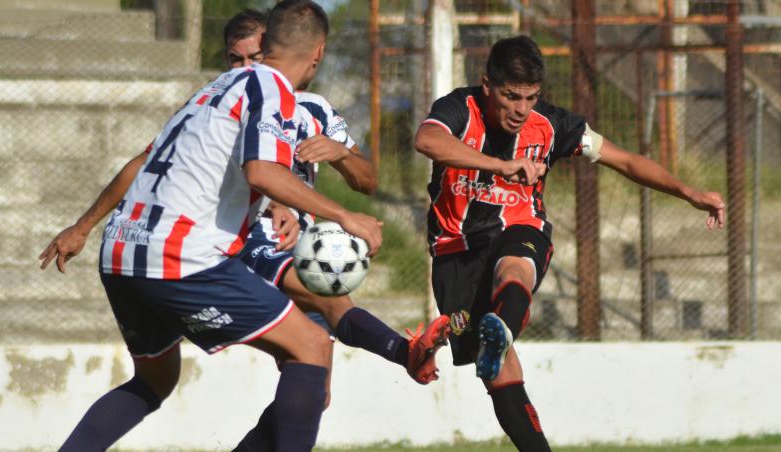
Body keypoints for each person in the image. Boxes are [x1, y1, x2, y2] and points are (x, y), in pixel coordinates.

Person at [40, 7, 451, 388]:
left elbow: (367, 181)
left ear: (274, 50)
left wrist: (340, 153)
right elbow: (164, 165)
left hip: (297, 241)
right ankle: (405, 352)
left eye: (254, 56)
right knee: (330, 299)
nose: (247, 67)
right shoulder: (222, 102)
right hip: (249, 242)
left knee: (310, 391)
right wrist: (84, 225)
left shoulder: (313, 110)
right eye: (235, 59)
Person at [414, 35, 725, 451]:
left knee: (515, 263)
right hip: (456, 250)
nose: (522, 110)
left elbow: (626, 160)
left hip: (519, 229)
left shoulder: (552, 124)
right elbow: (427, 141)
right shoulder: (458, 108)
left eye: (531, 97)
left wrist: (688, 191)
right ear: (487, 85)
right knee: (498, 375)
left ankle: (502, 325)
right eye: (511, 97)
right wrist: (502, 167)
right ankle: (485, 343)